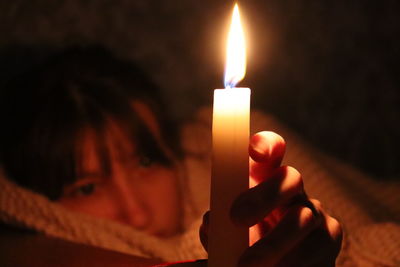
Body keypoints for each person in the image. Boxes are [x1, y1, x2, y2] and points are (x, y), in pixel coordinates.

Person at [0, 46, 342, 266]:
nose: (137, 212)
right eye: (87, 188)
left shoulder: (223, 146)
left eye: (145, 163)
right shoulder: (29, 236)